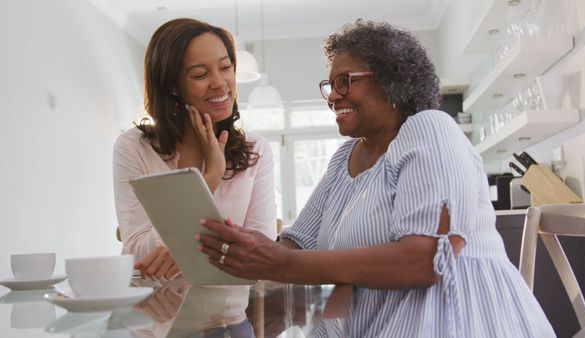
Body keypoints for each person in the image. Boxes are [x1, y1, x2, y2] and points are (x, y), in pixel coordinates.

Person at [196, 19, 554, 337]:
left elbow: (427, 259)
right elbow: (297, 244)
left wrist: (280, 264)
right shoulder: (343, 161)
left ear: (393, 81)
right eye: (330, 85)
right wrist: (241, 248)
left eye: (345, 82)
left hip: (458, 319)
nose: (333, 96)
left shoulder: (430, 128)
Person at [113, 18, 277, 280]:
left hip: (229, 305)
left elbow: (262, 252)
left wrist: (178, 245)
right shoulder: (134, 147)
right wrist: (209, 178)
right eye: (200, 74)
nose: (220, 83)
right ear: (172, 85)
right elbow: (136, 253)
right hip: (152, 305)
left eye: (225, 67)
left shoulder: (256, 150)